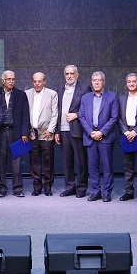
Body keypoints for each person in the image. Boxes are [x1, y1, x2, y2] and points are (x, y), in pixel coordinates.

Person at [79, 71, 119, 202]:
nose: (96, 82)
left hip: (105, 137)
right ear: (91, 82)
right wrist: (91, 132)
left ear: (104, 82)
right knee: (92, 167)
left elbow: (114, 118)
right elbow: (81, 116)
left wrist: (101, 132)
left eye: (99, 80)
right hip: (90, 137)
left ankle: (106, 192)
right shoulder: (85, 98)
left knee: (107, 167)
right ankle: (96, 191)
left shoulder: (112, 97)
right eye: (94, 80)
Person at [0, 70, 31, 197]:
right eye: (8, 79)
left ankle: (18, 188)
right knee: (1, 162)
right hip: (0, 132)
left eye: (13, 79)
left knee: (16, 163)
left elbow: (25, 115)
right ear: (2, 81)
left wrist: (25, 133)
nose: (11, 81)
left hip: (16, 132)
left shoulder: (21, 95)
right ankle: (1, 188)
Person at [57, 65, 91, 198]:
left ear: (77, 75)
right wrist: (57, 131)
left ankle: (81, 187)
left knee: (81, 161)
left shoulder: (84, 88)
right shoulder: (60, 90)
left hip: (77, 129)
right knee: (67, 162)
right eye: (67, 74)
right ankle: (70, 187)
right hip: (63, 130)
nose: (69, 76)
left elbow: (89, 107)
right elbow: (58, 111)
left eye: (72, 73)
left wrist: (76, 115)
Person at [25, 72, 59, 196]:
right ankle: (37, 186)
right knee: (34, 161)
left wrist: (50, 129)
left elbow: (55, 114)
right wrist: (27, 130)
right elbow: (24, 113)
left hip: (46, 133)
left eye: (39, 81)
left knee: (48, 161)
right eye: (35, 81)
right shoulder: (27, 94)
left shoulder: (52, 94)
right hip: (32, 133)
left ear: (45, 82)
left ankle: (48, 186)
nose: (37, 83)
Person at [117, 73, 137, 202]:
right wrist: (126, 132)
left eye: (134, 81)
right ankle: (129, 192)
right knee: (128, 165)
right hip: (126, 133)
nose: (131, 84)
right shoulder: (121, 98)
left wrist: (136, 131)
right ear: (126, 84)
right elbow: (118, 117)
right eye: (129, 82)